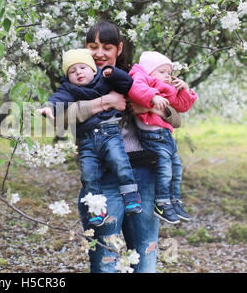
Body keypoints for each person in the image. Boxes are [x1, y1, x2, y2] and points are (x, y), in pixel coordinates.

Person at [50, 20, 181, 273]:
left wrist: (151, 106)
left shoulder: (135, 77)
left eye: (106, 46)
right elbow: (60, 117)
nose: (99, 53)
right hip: (103, 177)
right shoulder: (77, 80)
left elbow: (175, 118)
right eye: (92, 46)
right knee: (105, 258)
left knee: (145, 254)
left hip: (143, 174)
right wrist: (104, 102)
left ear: (119, 48)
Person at [37, 48, 142, 228]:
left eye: (82, 68)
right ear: (67, 76)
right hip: (86, 140)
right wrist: (49, 108)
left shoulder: (104, 79)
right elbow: (58, 99)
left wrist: (112, 72)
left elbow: (128, 84)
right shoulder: (69, 90)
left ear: (93, 69)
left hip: (109, 132)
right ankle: (95, 208)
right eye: (72, 71)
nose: (78, 73)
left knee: (120, 161)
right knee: (88, 175)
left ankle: (131, 195)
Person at [128, 51, 197, 223]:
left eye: (169, 72)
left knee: (176, 169)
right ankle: (162, 202)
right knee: (165, 169)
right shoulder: (141, 76)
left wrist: (185, 90)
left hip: (165, 135)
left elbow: (180, 107)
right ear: (149, 70)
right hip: (152, 134)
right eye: (162, 71)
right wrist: (153, 96)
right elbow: (135, 88)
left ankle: (175, 200)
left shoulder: (167, 88)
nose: (167, 75)